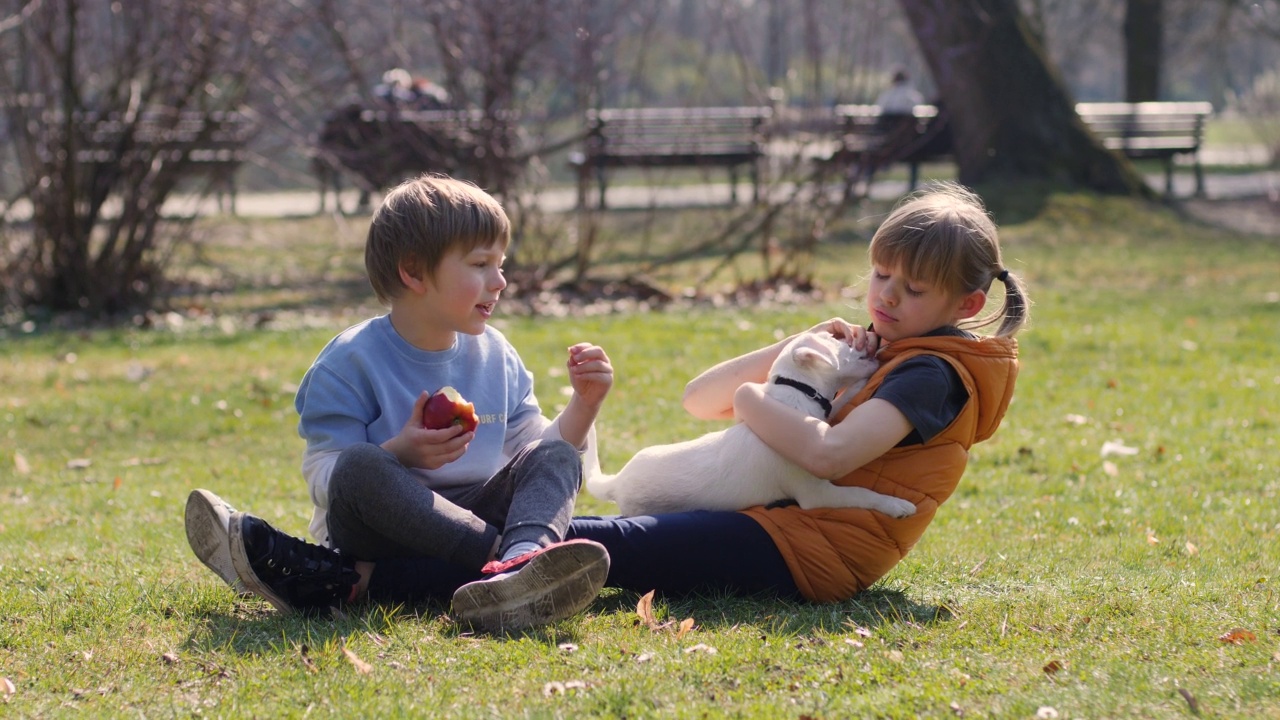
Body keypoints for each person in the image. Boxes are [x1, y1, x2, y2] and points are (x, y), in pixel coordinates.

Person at [190, 181, 1026, 613]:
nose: (883, 298)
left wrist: (766, 400)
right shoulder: (892, 347)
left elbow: (825, 453)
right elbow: (704, 397)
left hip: (815, 552)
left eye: (908, 291)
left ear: (962, 306)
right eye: (880, 275)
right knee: (568, 537)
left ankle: (350, 580)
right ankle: (495, 564)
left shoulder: (930, 373)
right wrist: (794, 349)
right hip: (782, 521)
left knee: (597, 543)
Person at [185, 174, 615, 633]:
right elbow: (326, 478)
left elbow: (534, 450)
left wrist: (584, 406)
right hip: (381, 531)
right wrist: (399, 453)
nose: (501, 281)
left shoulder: (497, 354)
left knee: (555, 454)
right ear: (413, 272)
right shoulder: (349, 361)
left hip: (474, 506)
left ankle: (523, 560)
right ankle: (505, 565)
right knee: (359, 464)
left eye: (500, 264)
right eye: (480, 264)